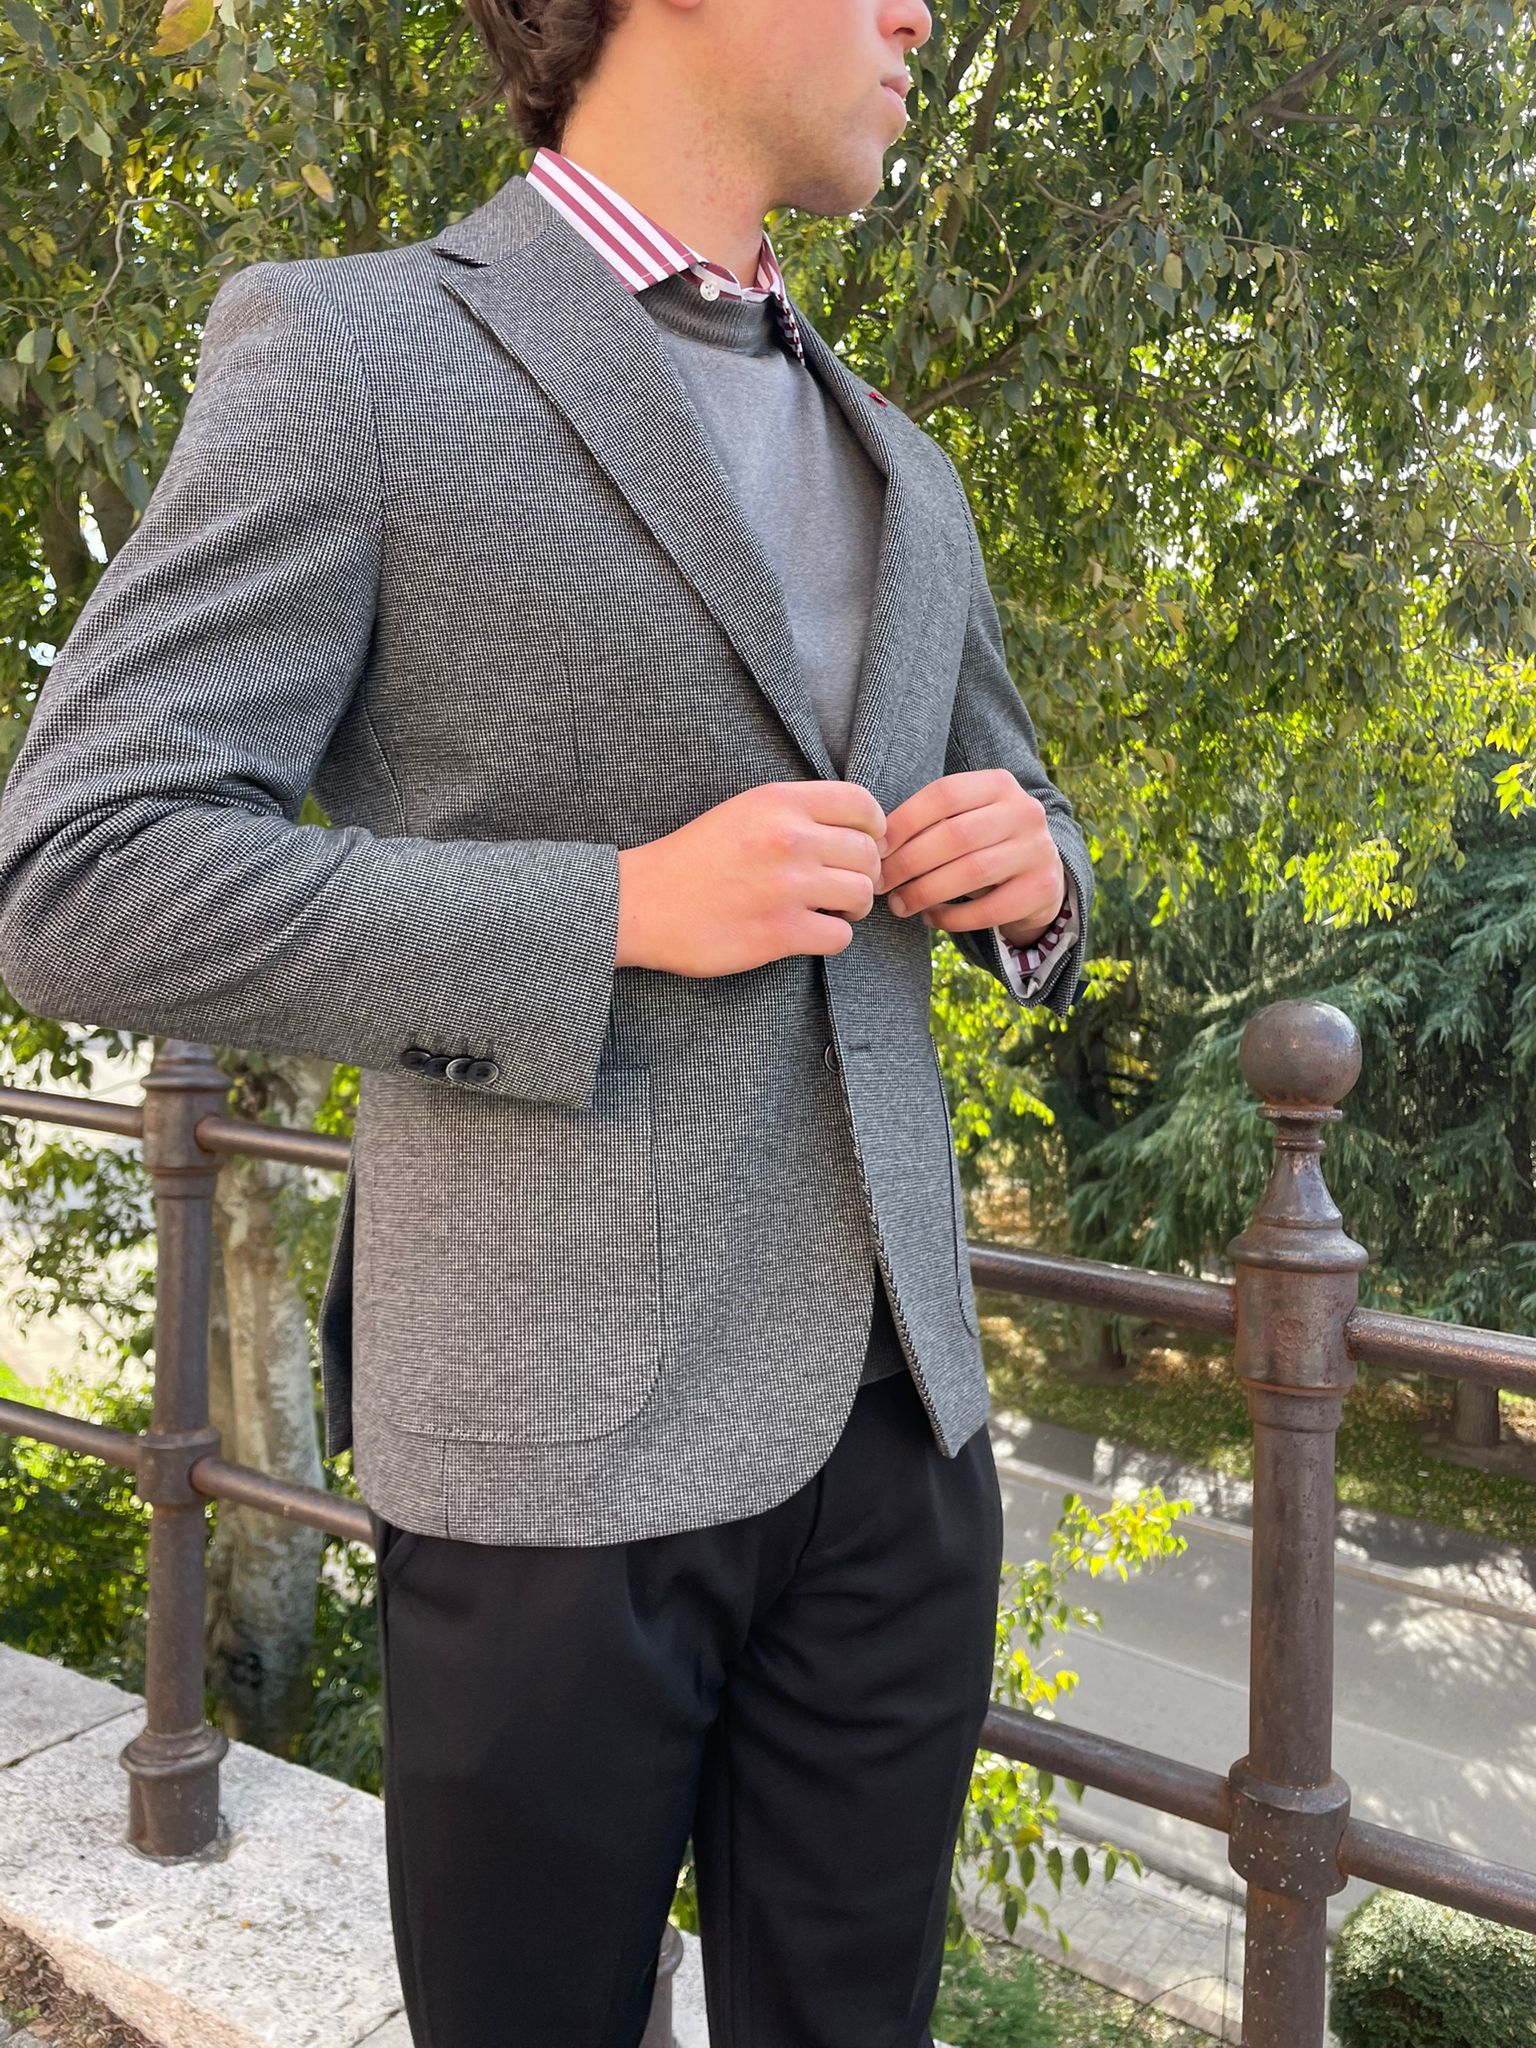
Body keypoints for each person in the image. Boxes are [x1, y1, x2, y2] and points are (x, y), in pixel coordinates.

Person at [0, 0, 1094, 2040]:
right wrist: (614, 913)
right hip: (543, 1454)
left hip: (899, 1437)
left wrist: (1036, 876)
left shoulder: (902, 461)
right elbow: (79, 874)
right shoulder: (356, 354)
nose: (920, 14)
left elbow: (1025, 802)